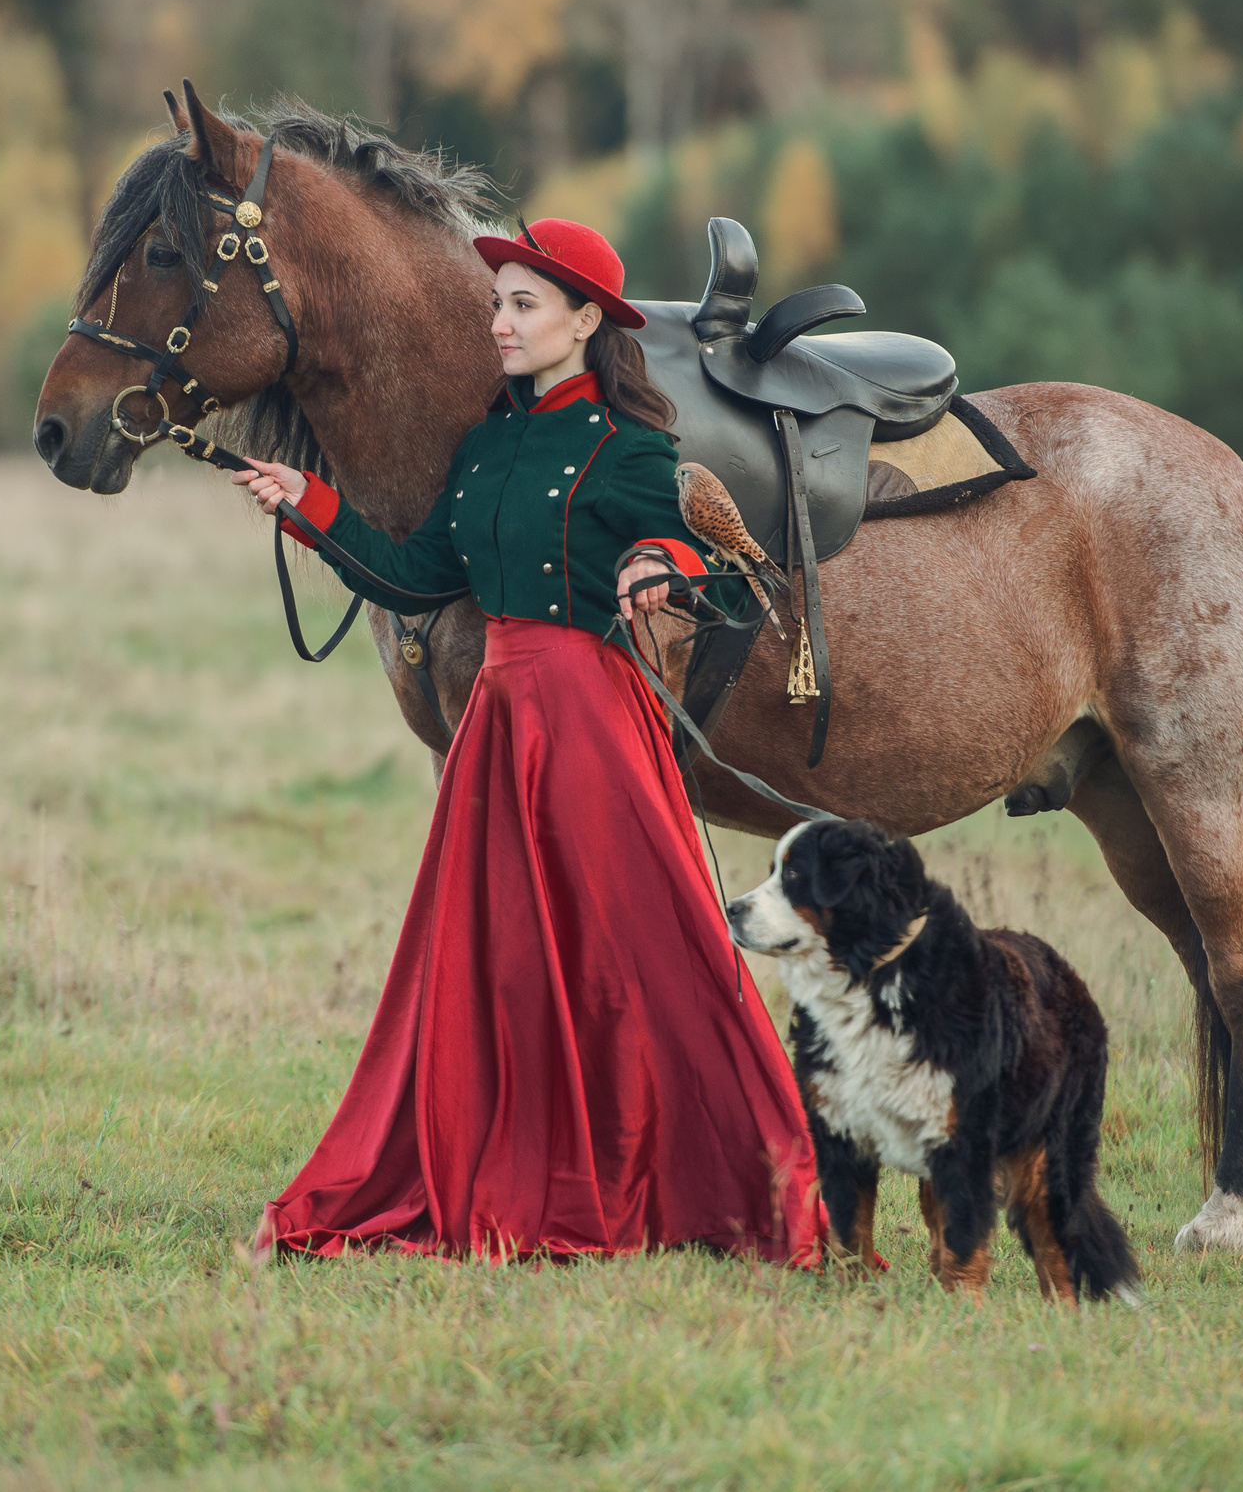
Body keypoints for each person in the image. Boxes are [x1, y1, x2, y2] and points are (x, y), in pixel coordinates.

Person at [235, 217, 821, 1265]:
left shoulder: (630, 442)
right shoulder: (490, 442)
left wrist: (653, 558)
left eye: (522, 303)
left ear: (585, 321)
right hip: (498, 724)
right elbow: (420, 574)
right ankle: (517, 1155)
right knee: (494, 961)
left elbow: (693, 553)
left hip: (591, 720)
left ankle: (718, 1174)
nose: (498, 321)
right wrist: (309, 502)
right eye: (496, 301)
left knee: (634, 957)